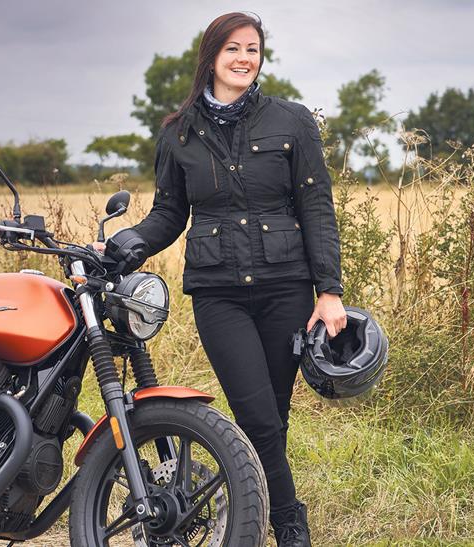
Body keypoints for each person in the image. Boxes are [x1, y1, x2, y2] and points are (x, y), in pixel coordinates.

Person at [125, 12, 346, 547]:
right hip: (218, 292)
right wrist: (123, 246)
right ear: (212, 58)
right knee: (255, 413)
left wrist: (329, 291)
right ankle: (289, 524)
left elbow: (316, 205)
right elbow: (169, 214)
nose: (245, 58)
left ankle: (252, 508)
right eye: (234, 49)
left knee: (272, 414)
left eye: (253, 49)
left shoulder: (291, 121)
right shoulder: (179, 133)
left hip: (285, 287)